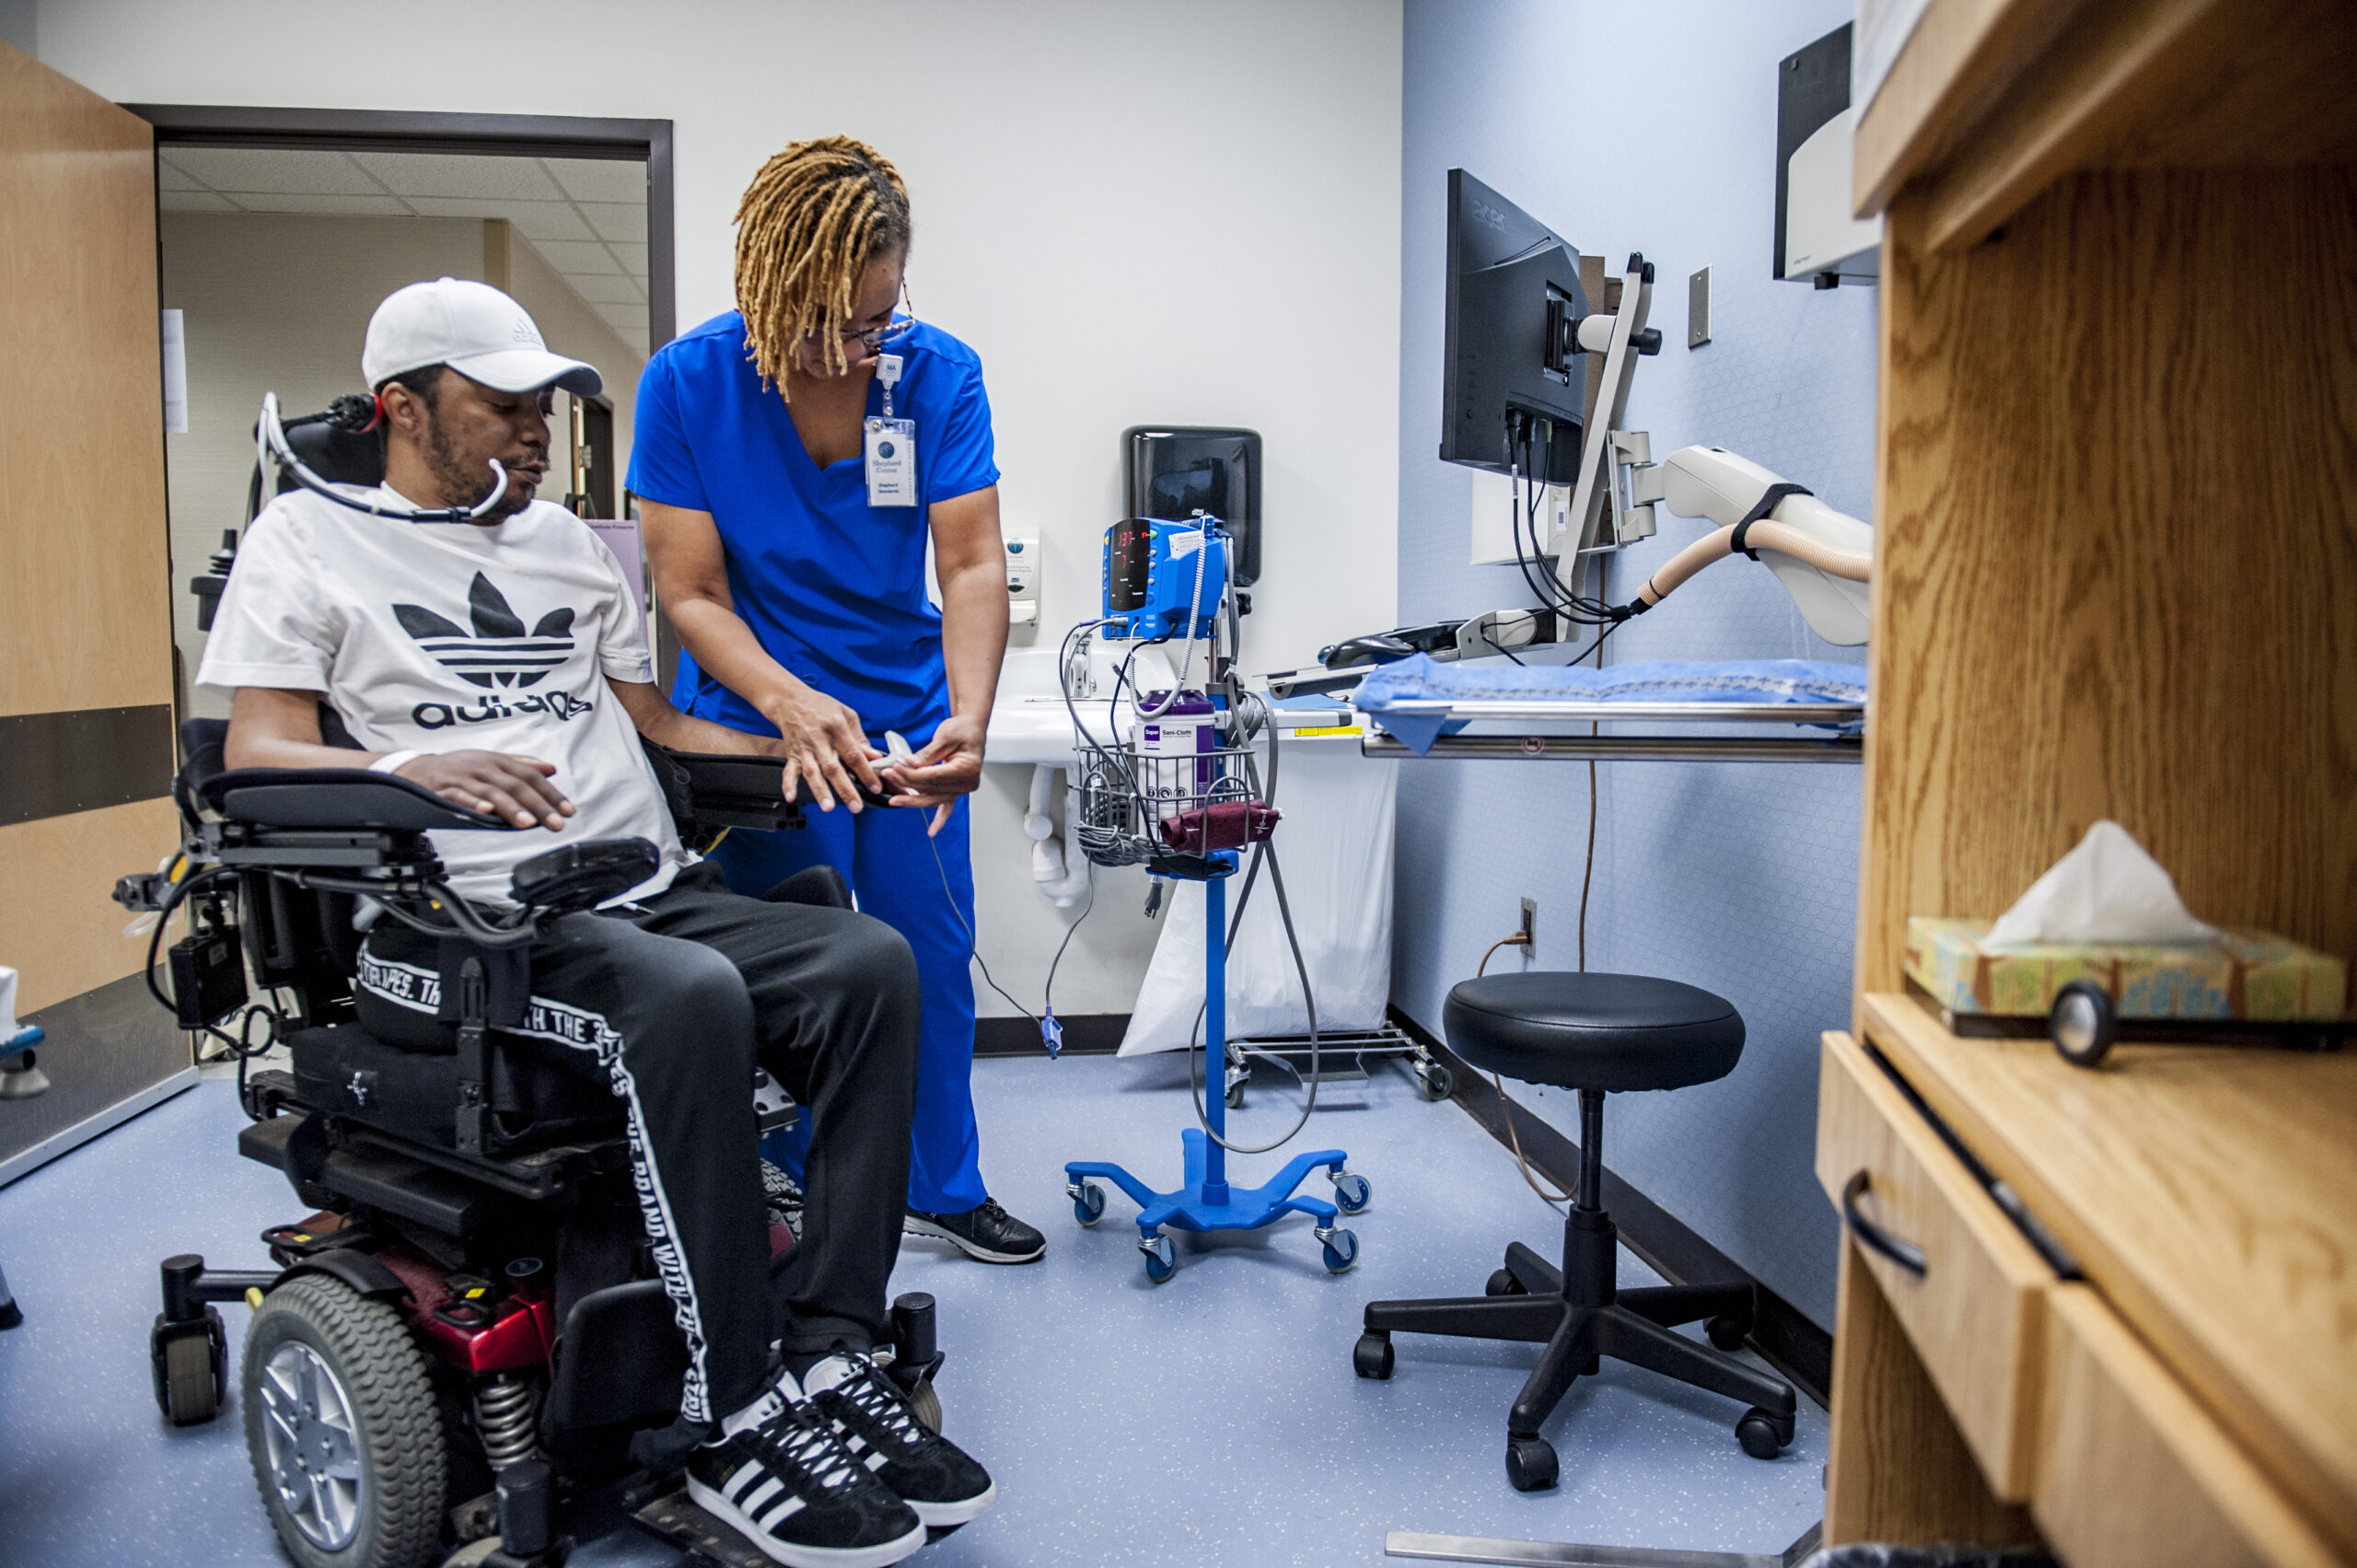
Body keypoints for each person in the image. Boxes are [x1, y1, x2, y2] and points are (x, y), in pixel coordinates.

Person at [199, 276, 992, 1568]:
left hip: (639, 884)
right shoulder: (310, 537)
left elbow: (660, 727)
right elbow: (258, 751)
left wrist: (810, 736)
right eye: (500, 406)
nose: (535, 434)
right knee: (685, 997)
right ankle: (731, 1407)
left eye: (546, 409)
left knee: (869, 964)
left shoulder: (569, 544)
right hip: (457, 922)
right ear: (402, 407)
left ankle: (830, 1350)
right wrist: (406, 773)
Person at [631, 137, 1044, 1265]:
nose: (855, 347)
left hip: (902, 711)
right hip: (753, 723)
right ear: (766, 291)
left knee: (926, 954)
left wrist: (972, 712)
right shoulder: (686, 382)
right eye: (829, 323)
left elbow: (967, 565)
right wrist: (787, 703)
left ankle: (940, 1182)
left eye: (876, 317)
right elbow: (690, 591)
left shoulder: (935, 373)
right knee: (791, 962)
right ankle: (796, 1178)